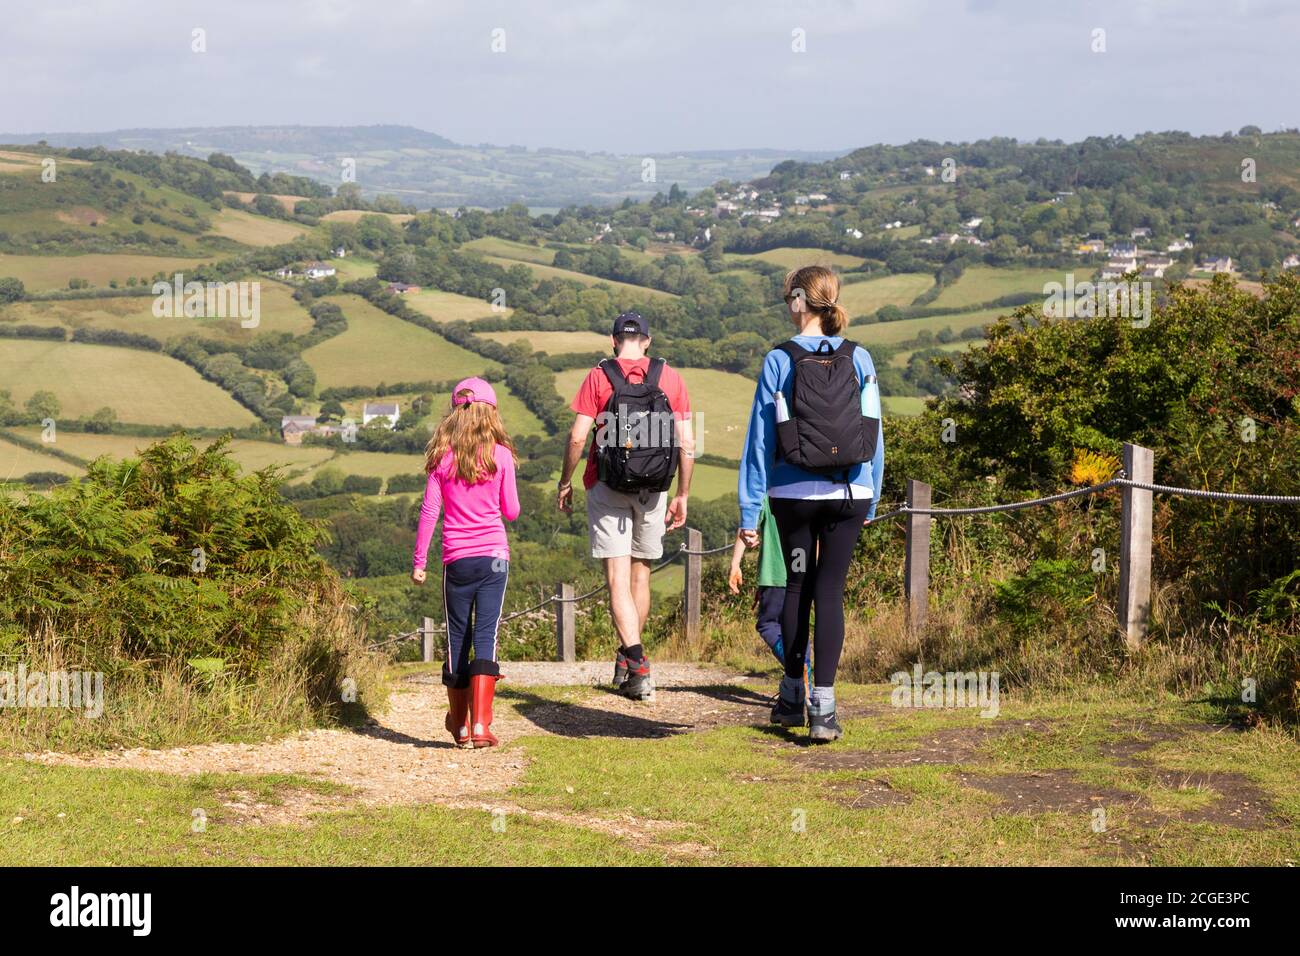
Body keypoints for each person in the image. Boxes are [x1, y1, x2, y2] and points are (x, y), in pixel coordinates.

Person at [738, 266, 884, 743]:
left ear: (799, 301)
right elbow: (875, 436)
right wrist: (874, 496)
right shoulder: (860, 358)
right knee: (831, 592)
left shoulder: (779, 359)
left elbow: (760, 443)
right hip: (850, 494)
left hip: (793, 496)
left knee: (797, 587)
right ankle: (824, 708)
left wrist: (749, 511)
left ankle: (790, 696)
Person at [557, 311, 694, 701]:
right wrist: (682, 493)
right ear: (647, 341)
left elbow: (577, 437)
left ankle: (636, 663)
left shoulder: (599, 376)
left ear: (613, 340)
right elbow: (687, 445)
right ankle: (629, 658)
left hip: (607, 484)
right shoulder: (670, 377)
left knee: (617, 578)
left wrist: (566, 481)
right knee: (640, 575)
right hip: (654, 488)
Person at [412, 377, 520, 748]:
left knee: (457, 637)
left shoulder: (441, 460)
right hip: (493, 559)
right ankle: (481, 728)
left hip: (455, 560)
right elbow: (512, 511)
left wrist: (419, 561)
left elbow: (429, 512)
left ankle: (459, 726)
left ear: (454, 414)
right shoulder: (502, 456)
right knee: (486, 635)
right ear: (491, 413)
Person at [728, 495, 786, 666]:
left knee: (767, 624)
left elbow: (747, 526)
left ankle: (795, 667)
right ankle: (804, 682)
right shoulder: (805, 492)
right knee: (795, 628)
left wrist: (735, 564)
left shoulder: (767, 496)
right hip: (803, 575)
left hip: (774, 576)